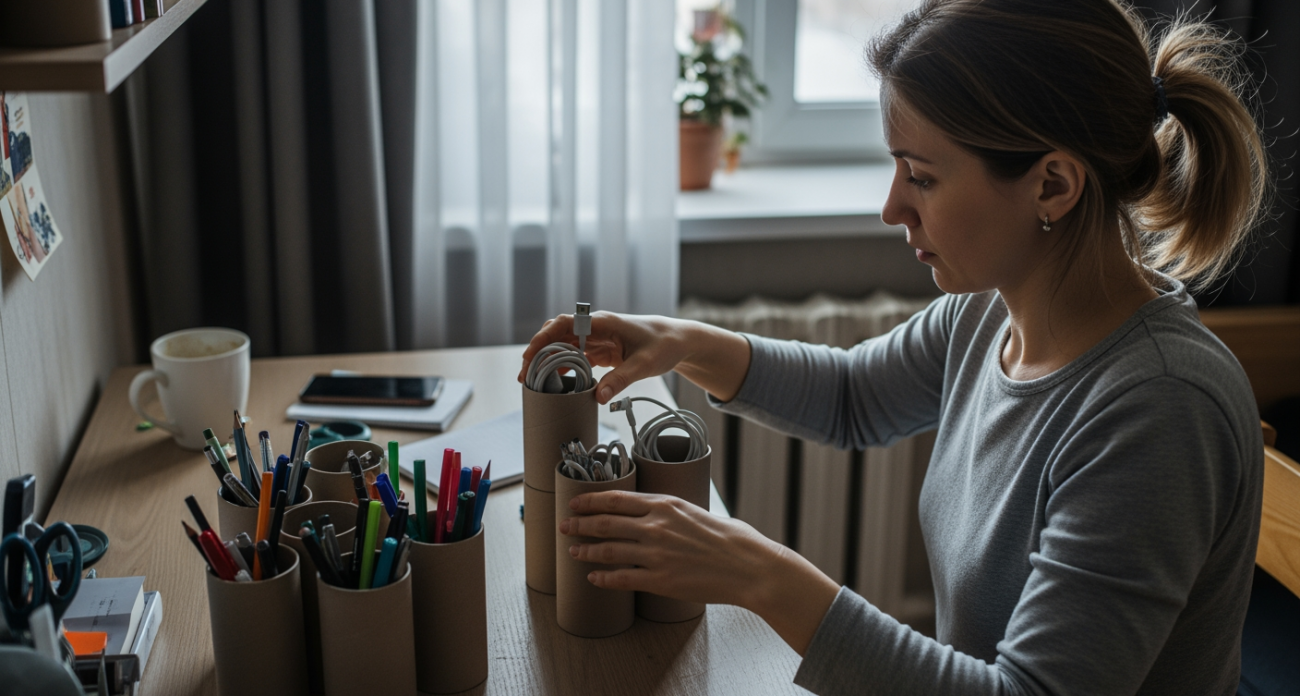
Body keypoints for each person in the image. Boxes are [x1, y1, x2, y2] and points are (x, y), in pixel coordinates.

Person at [519, 0, 1269, 692]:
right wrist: (679, 342)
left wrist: (760, 575)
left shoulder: (1161, 409)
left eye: (921, 176)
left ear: (1053, 187)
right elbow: (851, 396)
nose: (891, 208)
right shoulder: (989, 316)